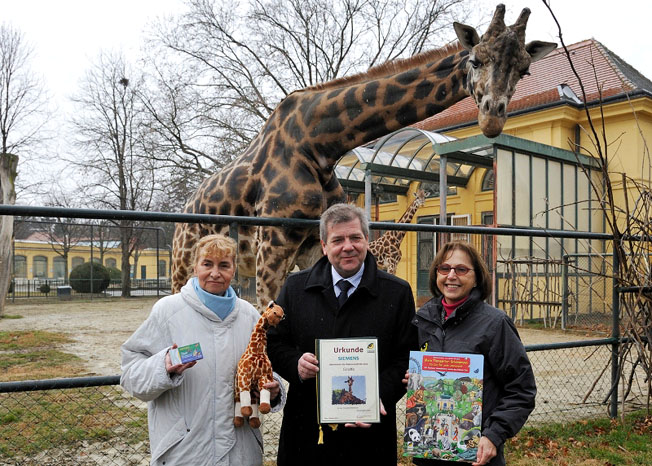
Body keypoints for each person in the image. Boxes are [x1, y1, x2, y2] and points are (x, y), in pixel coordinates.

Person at [267, 203, 418, 465]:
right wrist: (295, 365)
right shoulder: (295, 288)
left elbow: (407, 356)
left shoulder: (397, 292)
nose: (348, 246)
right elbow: (275, 342)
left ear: (367, 241)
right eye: (338, 240)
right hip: (308, 430)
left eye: (355, 238)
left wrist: (377, 395)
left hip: (370, 432)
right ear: (324, 246)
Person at [120, 234, 285, 466]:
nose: (215, 273)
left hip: (241, 452)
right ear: (195, 267)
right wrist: (163, 367)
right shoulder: (168, 311)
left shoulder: (249, 316)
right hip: (185, 452)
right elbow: (130, 373)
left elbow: (262, 365)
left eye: (224, 265)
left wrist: (272, 390)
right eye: (207, 264)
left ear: (234, 270)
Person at [408, 240, 536, 466]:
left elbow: (521, 389)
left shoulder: (495, 324)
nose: (451, 276)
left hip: (476, 454)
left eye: (461, 269)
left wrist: (493, 435)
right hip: (429, 453)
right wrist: (413, 379)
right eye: (444, 268)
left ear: (477, 277)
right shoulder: (423, 320)